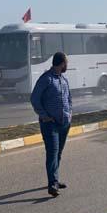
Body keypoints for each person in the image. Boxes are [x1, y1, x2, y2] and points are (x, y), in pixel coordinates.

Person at [30, 52, 72, 197]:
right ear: (61, 63)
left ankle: (55, 178)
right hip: (50, 124)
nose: (67, 65)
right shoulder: (46, 79)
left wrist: (69, 113)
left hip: (64, 123)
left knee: (58, 152)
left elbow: (69, 98)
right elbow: (34, 98)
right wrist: (44, 115)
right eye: (66, 62)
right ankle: (52, 184)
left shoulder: (63, 80)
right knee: (52, 152)